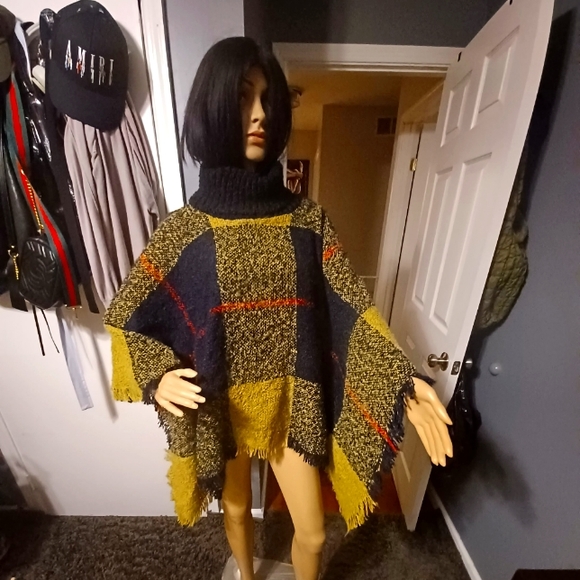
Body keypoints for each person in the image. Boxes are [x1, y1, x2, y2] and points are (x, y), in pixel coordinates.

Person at [104, 37, 453, 580]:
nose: (260, 114)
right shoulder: (186, 230)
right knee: (237, 510)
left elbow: (352, 310)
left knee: (312, 532)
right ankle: (246, 576)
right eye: (244, 97)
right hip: (220, 397)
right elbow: (128, 315)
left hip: (293, 400)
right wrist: (156, 375)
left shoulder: (307, 223)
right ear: (213, 106)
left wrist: (403, 383)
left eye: (268, 99)